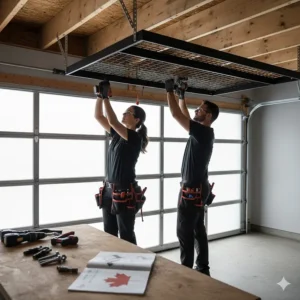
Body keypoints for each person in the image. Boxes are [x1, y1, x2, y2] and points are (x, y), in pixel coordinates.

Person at [165, 77, 219, 276]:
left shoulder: (204, 133)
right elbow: (185, 115)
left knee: (184, 233)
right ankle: (202, 269)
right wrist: (181, 95)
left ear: (209, 115)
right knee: (198, 230)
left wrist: (169, 91)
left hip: (191, 193)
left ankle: (187, 273)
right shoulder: (202, 132)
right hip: (198, 189)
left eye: (200, 109)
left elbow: (175, 115)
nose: (197, 111)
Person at [94, 80, 148, 245]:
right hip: (109, 191)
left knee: (126, 234)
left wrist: (106, 98)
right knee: (109, 233)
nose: (124, 114)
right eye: (124, 112)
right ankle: (113, 264)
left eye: (128, 113)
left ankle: (135, 265)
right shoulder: (117, 135)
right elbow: (99, 116)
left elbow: (112, 121)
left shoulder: (134, 137)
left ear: (137, 120)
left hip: (124, 192)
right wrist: (99, 97)